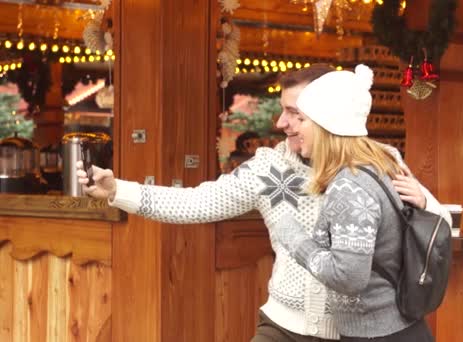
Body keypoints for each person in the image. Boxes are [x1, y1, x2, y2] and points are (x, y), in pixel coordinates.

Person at [76, 64, 443, 342]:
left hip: (359, 333)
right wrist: (116, 191)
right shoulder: (269, 167)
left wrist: (427, 201)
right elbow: (197, 202)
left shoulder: (381, 160)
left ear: (326, 115)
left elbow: (434, 226)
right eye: (283, 110)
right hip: (283, 328)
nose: (281, 122)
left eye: (295, 113)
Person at [273, 65, 452, 341]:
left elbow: (349, 277)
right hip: (400, 328)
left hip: (377, 334)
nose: (296, 129)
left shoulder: (349, 185)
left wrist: (293, 237)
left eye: (303, 120)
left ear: (325, 125)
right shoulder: (382, 163)